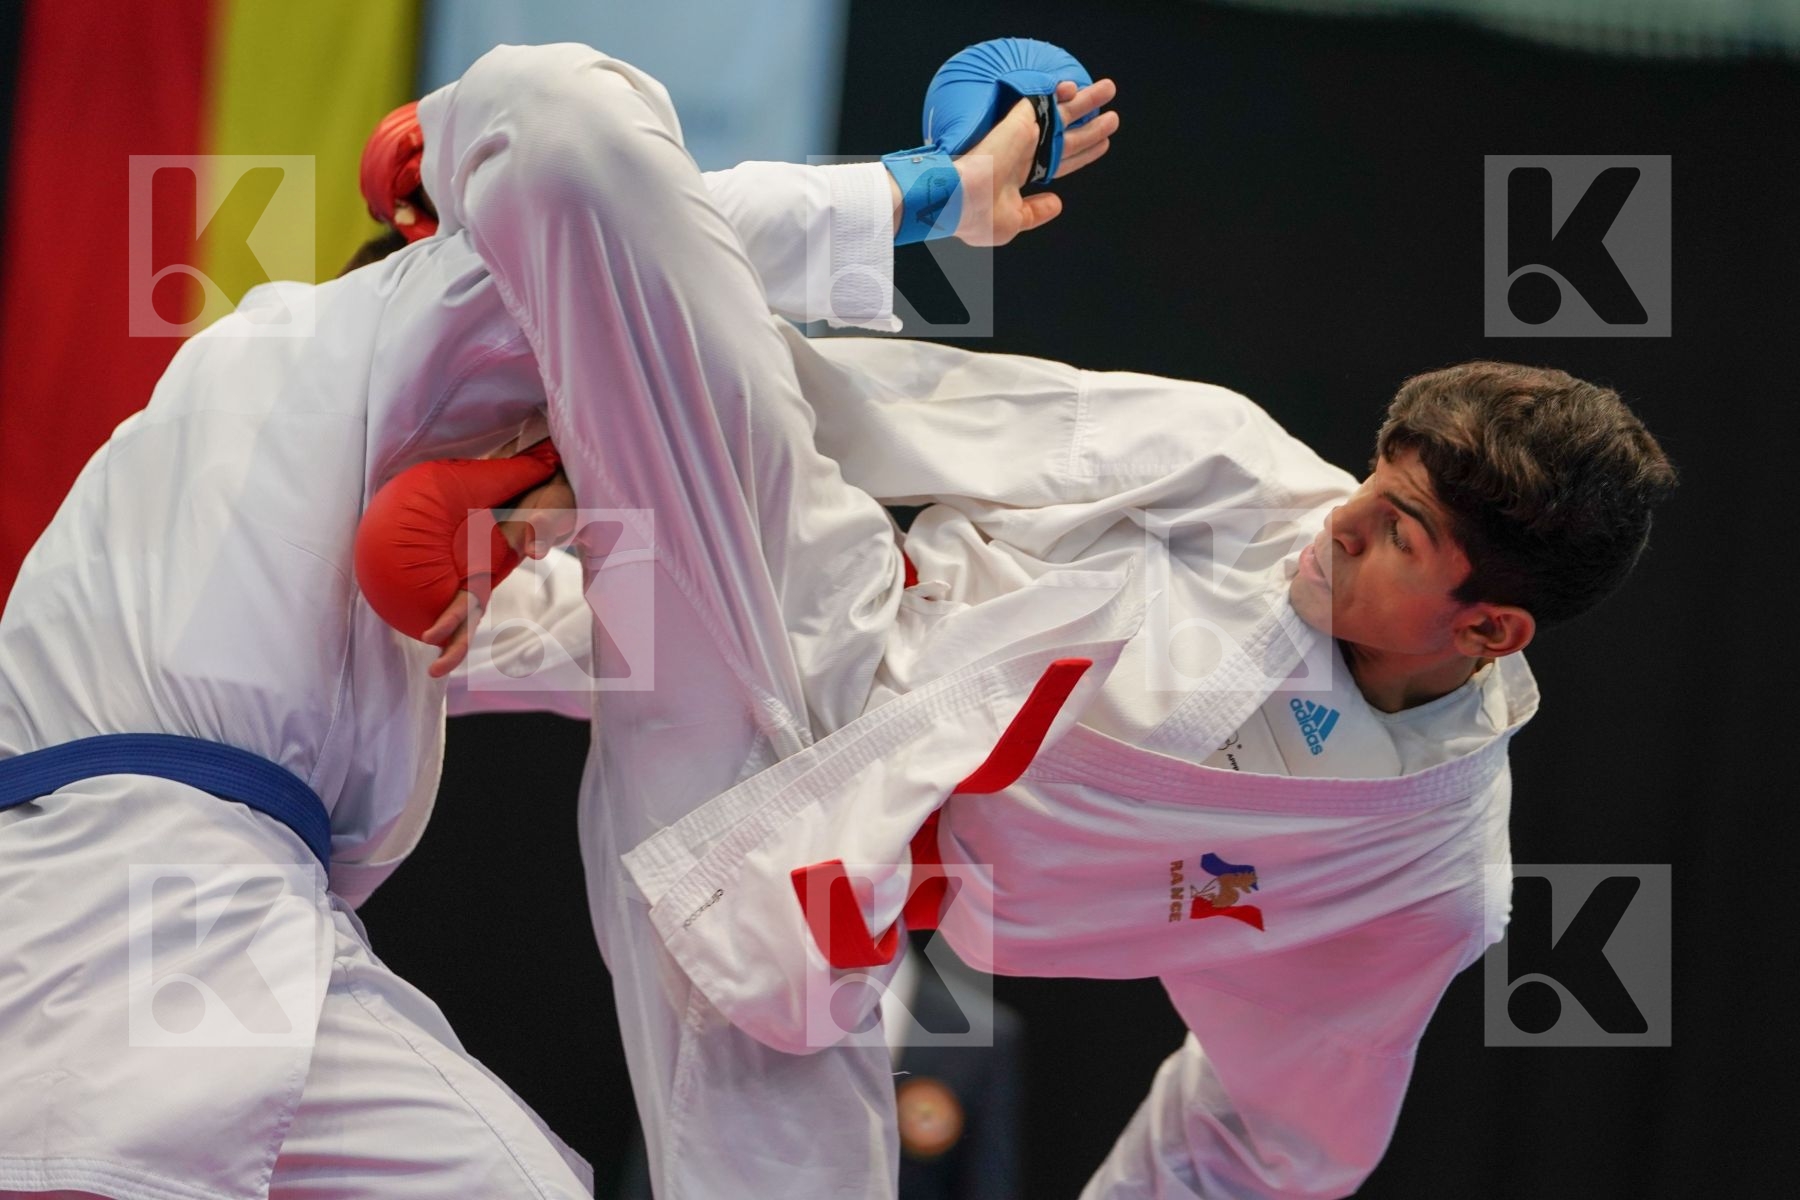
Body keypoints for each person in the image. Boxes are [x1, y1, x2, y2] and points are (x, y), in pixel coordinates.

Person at [364, 39, 1673, 1200]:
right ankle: (477, 283)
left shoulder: (1415, 874)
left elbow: (1271, 1146)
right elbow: (897, 408)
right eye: (1374, 484)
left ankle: (501, 551)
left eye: (1397, 535)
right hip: (812, 595)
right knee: (574, 129)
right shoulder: (1235, 471)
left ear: (1491, 630)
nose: (1340, 521)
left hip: (812, 918)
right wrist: (585, 399)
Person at [0, 39, 1106, 1197]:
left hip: (123, 916)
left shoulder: (262, 487)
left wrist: (853, 616)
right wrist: (925, 192)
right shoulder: (382, 318)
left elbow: (593, 631)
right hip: (176, 901)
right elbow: (642, 228)